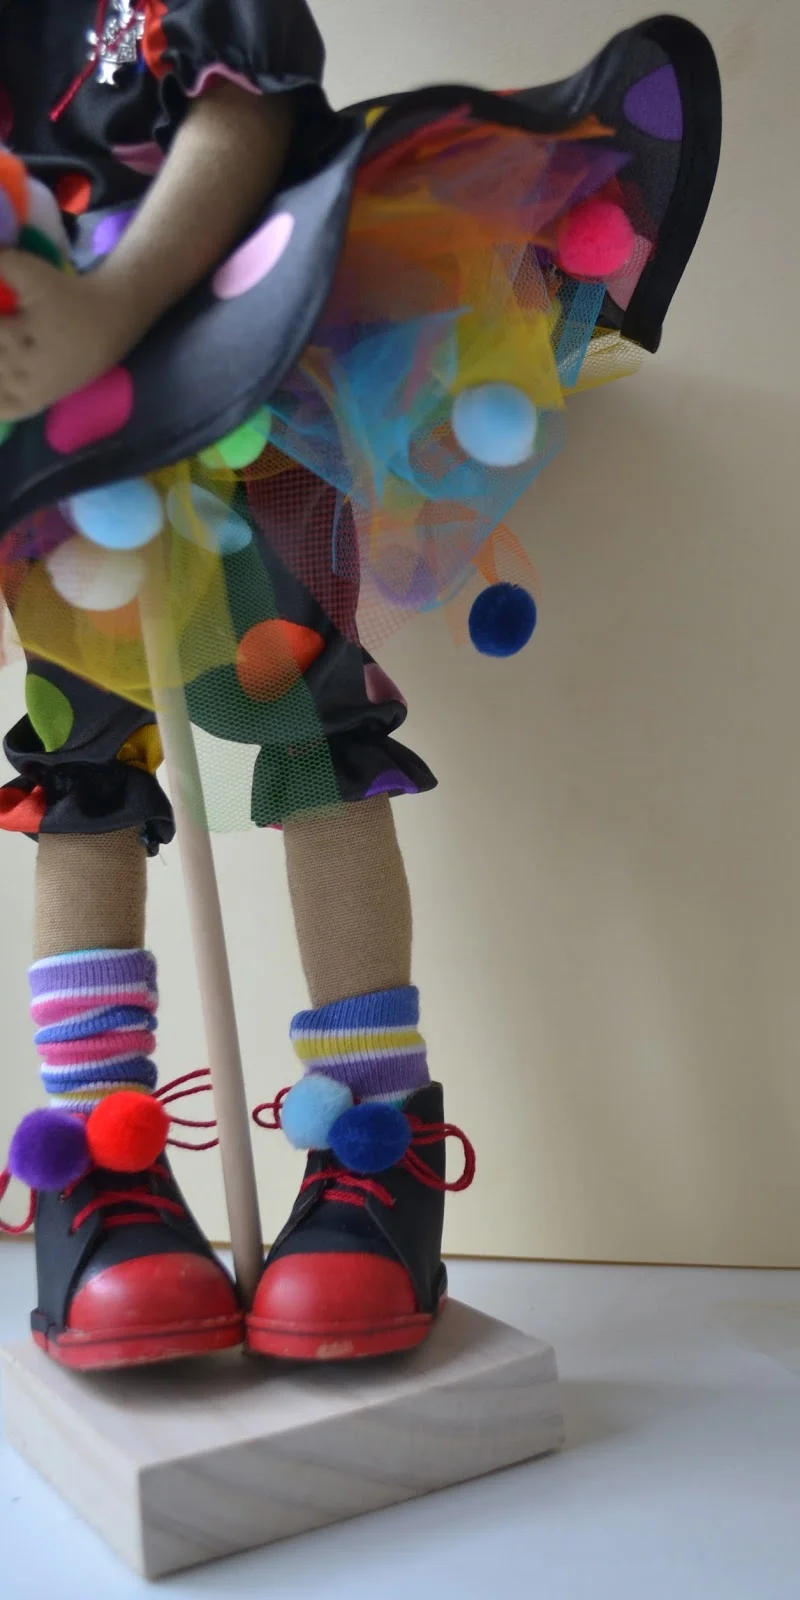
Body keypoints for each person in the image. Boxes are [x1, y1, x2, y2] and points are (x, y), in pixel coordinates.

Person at [0, 2, 721, 1369]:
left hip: (254, 361)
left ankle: (373, 1140)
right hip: (51, 420)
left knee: (316, 724)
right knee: (78, 748)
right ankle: (97, 1152)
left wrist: (109, 302)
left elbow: (248, 102)